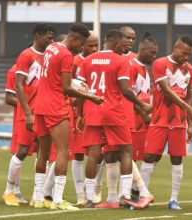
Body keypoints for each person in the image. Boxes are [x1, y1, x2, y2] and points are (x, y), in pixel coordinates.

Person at [76, 29, 151, 209]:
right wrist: (142, 105)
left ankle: (88, 199)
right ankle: (125, 196)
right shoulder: (121, 61)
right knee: (126, 151)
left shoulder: (87, 60)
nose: (125, 47)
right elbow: (125, 90)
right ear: (115, 42)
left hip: (92, 111)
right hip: (113, 112)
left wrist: (80, 114)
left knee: (93, 155)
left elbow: (79, 89)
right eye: (123, 43)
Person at [32, 23, 104, 210]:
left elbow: (54, 77)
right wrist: (90, 97)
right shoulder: (66, 55)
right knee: (64, 151)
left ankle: (38, 198)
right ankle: (57, 200)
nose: (81, 48)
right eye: (82, 45)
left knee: (43, 153)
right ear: (77, 39)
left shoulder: (51, 47)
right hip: (56, 107)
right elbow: (66, 88)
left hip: (40, 105)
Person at [139, 35, 192, 210]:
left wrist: (189, 125)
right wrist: (187, 108)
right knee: (150, 156)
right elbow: (166, 90)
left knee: (177, 159)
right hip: (159, 120)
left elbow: (188, 96)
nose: (186, 57)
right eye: (184, 52)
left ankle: (174, 199)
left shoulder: (190, 70)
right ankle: (144, 194)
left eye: (189, 54)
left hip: (179, 123)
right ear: (176, 47)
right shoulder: (160, 64)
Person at [3, 24, 56, 206]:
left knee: (44, 153)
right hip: (29, 113)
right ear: (39, 36)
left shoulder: (49, 57)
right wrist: (28, 113)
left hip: (44, 113)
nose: (52, 41)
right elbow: (18, 86)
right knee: (23, 151)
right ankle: (9, 191)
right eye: (49, 38)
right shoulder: (26, 56)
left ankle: (37, 195)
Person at [69, 31, 101, 206]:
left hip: (97, 111)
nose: (94, 49)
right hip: (79, 111)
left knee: (99, 154)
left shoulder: (99, 60)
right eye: (90, 45)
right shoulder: (76, 61)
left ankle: (97, 187)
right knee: (78, 153)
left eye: (96, 45)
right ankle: (80, 193)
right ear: (82, 45)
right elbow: (70, 85)